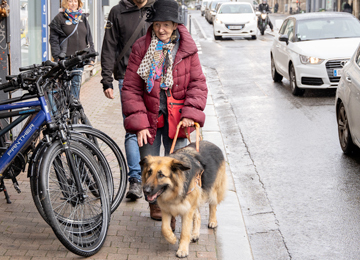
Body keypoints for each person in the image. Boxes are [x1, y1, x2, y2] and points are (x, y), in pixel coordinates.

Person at [121, 0, 207, 221]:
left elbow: (197, 83)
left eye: (167, 25)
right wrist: (139, 124)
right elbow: (131, 88)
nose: (161, 30)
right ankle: (155, 204)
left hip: (177, 120)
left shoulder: (187, 49)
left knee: (177, 169)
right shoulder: (141, 47)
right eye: (157, 24)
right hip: (149, 119)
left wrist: (190, 113)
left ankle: (175, 206)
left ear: (176, 25)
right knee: (150, 167)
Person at [100, 0, 156, 201]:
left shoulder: (158, 7)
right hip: (127, 78)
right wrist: (106, 79)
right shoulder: (117, 12)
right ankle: (135, 179)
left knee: (155, 128)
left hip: (155, 79)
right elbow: (109, 46)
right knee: (133, 129)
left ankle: (156, 181)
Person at [49, 0, 95, 100]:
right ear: (65, 3)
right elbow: (53, 40)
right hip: (65, 59)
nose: (73, 4)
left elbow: (89, 38)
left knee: (76, 85)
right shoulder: (59, 18)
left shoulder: (82, 18)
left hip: (79, 59)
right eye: (70, 1)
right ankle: (63, 110)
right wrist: (57, 57)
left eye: (75, 1)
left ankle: (74, 109)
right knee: (64, 86)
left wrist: (91, 55)